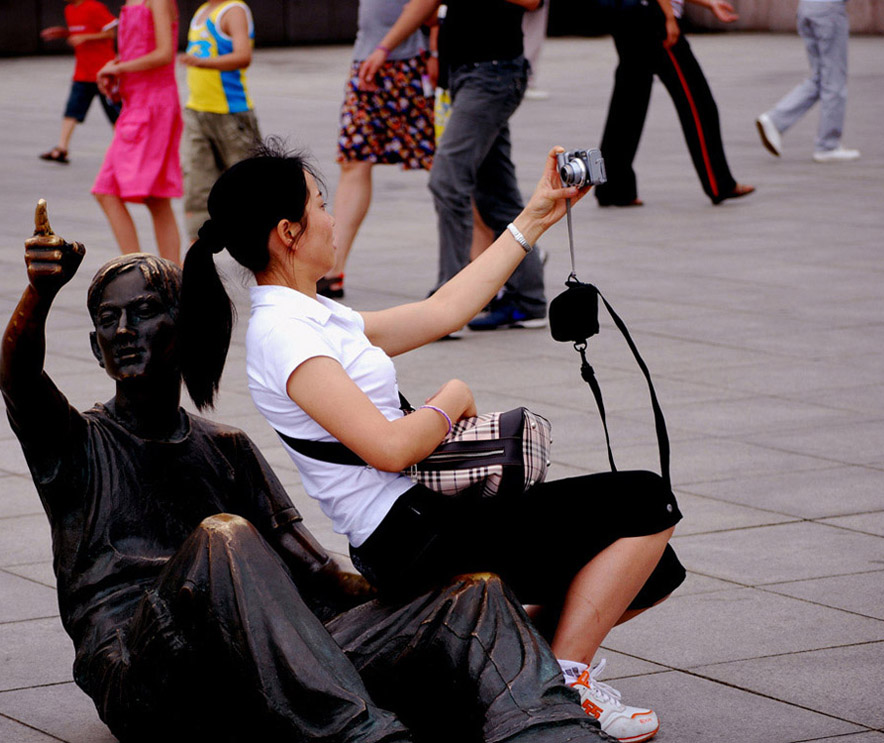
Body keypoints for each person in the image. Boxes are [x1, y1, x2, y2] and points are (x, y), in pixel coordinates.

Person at [0, 204, 616, 743]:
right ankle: (359, 733)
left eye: (145, 312)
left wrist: (424, 605)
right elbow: (18, 381)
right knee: (224, 538)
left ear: (184, 330)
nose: (124, 331)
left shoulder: (227, 448)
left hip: (255, 668)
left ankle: (549, 725)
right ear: (93, 345)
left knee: (472, 590)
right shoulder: (78, 446)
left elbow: (318, 573)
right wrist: (40, 294)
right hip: (150, 675)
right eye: (108, 320)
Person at [177, 142, 686, 743]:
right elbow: (388, 448)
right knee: (646, 503)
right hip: (409, 535)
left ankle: (520, 668)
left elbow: (444, 310)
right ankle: (565, 685)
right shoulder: (285, 335)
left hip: (428, 518)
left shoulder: (316, 315)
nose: (334, 218)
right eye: (322, 205)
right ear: (289, 232)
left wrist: (537, 215)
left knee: (653, 570)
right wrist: (451, 398)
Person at [358, 0, 549, 331]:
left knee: (447, 180)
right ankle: (527, 300)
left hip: (494, 73)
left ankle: (450, 303)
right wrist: (384, 49)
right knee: (495, 192)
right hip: (464, 74)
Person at [316, 0, 437, 300]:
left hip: (412, 62)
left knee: (451, 168)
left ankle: (496, 256)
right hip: (368, 58)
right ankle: (333, 268)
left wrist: (390, 47)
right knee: (354, 160)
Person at [594, 0, 754, 207]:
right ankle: (719, 183)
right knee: (697, 100)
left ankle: (613, 189)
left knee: (629, 101)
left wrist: (709, 4)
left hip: (629, 16)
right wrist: (669, 16)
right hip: (654, 16)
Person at [92, 0, 182, 264]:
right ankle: (154, 275)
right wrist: (118, 71)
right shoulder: (134, 2)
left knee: (126, 193)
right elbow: (142, 51)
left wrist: (118, 68)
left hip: (153, 107)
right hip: (139, 105)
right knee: (151, 197)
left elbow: (165, 53)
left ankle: (143, 273)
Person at [179, 0, 263, 241]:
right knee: (197, 187)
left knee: (248, 189)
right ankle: (197, 255)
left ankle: (261, 252)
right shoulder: (201, 12)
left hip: (230, 115)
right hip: (197, 111)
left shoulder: (233, 10)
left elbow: (243, 56)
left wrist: (202, 63)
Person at [755, 0, 859, 163]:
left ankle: (775, 120)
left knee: (820, 77)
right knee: (834, 80)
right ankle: (828, 145)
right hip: (829, 10)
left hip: (808, 7)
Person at [39, 0, 121, 164]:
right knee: (71, 110)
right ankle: (62, 148)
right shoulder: (69, 9)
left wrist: (84, 37)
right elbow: (78, 33)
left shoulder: (94, 7)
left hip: (104, 71)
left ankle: (124, 149)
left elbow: (111, 33)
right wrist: (64, 33)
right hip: (83, 72)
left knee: (115, 115)